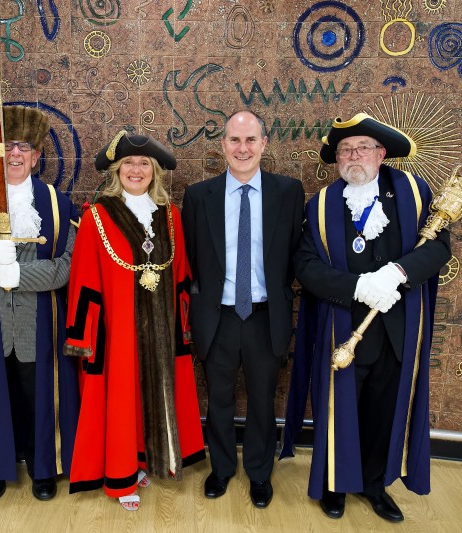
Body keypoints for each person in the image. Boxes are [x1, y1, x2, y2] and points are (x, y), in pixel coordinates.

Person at [283, 113, 451, 522]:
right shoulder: (320, 205)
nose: (353, 155)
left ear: (381, 154)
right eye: (345, 150)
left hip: (398, 328)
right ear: (336, 158)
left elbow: (438, 247)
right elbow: (305, 265)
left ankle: (375, 485)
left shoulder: (413, 192)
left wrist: (398, 272)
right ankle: (335, 485)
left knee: (385, 408)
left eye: (362, 148)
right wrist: (356, 287)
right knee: (338, 408)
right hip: (343, 329)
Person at [65, 132, 205, 511]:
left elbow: (181, 277)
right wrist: (85, 338)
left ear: (155, 172)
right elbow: (84, 280)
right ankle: (122, 475)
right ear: (116, 170)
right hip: (118, 333)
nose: (136, 169)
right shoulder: (97, 217)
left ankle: (149, 459)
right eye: (128, 163)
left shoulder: (171, 216)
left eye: (145, 164)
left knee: (157, 391)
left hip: (163, 329)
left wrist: (183, 330)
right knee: (122, 400)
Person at [0, 105, 80, 502]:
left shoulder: (59, 205)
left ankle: (44, 467)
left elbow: (67, 267)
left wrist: (21, 276)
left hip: (39, 322)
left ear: (37, 156)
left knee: (39, 392)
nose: (14, 155)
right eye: (4, 147)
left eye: (23, 147)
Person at [181, 110, 304, 508]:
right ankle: (221, 468)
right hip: (218, 316)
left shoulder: (288, 192)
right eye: (234, 140)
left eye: (251, 140)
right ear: (223, 146)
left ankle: (258, 472)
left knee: (263, 399)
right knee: (217, 398)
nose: (243, 148)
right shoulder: (200, 196)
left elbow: (291, 255)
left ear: (264, 144)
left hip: (266, 316)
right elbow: (192, 259)